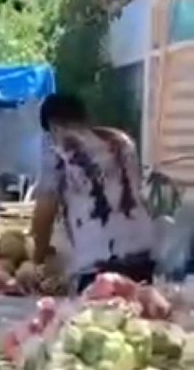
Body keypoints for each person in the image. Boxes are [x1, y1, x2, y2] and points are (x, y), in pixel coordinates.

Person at [32, 92, 154, 291]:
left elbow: (45, 210)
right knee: (140, 313)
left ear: (53, 125)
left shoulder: (58, 151)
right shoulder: (122, 141)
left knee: (99, 319)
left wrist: (37, 256)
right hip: (142, 250)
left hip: (98, 259)